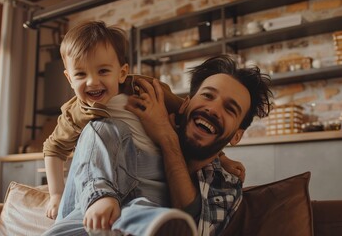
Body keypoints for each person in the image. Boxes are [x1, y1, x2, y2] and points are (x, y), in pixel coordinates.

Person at [42, 54, 273, 236]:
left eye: (230, 109)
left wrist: (165, 135)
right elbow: (58, 146)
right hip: (87, 218)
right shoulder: (134, 134)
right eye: (207, 95)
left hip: (137, 220)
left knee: (136, 210)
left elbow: (195, 231)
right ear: (184, 105)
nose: (212, 109)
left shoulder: (226, 185)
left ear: (237, 136)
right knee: (100, 129)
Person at [43, 21, 245, 221]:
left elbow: (191, 119)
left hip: (154, 168)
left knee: (144, 209)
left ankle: (150, 223)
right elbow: (53, 148)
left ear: (122, 72)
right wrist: (56, 195)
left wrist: (223, 158)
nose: (92, 81)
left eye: (103, 71)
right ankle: (87, 211)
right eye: (80, 74)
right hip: (112, 172)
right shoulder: (74, 113)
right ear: (69, 79)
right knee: (100, 129)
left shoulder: (143, 89)